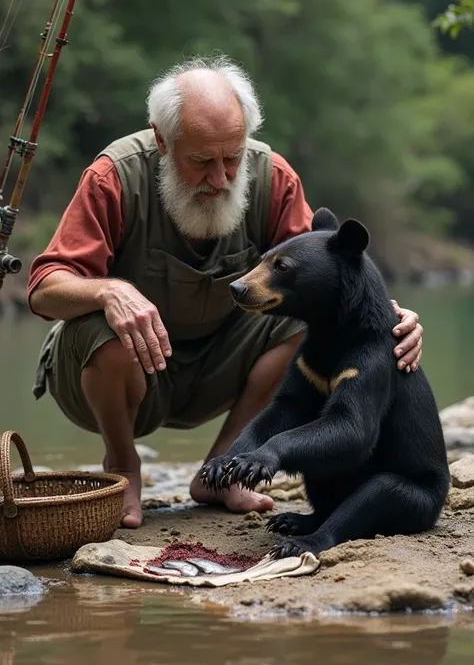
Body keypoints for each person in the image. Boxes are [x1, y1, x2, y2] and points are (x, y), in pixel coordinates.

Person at [27, 55, 423, 528]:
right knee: (99, 323)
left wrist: (391, 322)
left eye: (232, 157)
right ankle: (122, 464)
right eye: (201, 161)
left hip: (222, 366)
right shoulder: (115, 176)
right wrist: (109, 292)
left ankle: (223, 470)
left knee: (307, 321)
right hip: (121, 371)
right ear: (162, 140)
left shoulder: (272, 175)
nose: (220, 178)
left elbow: (334, 280)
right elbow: (44, 287)